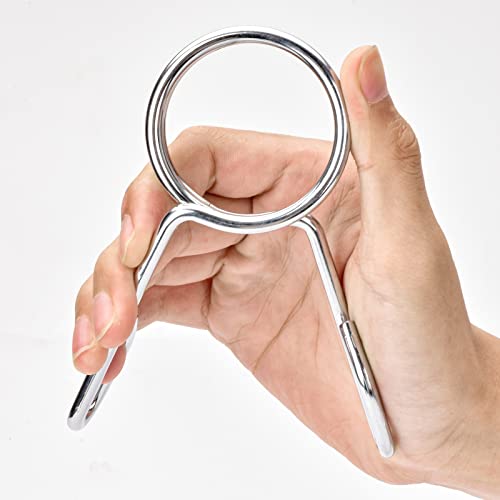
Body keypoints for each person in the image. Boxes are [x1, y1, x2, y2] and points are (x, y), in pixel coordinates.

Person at [70, 45, 500, 497]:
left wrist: (467, 422)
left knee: (152, 244)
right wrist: (469, 425)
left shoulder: (314, 229)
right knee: (147, 246)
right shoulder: (304, 231)